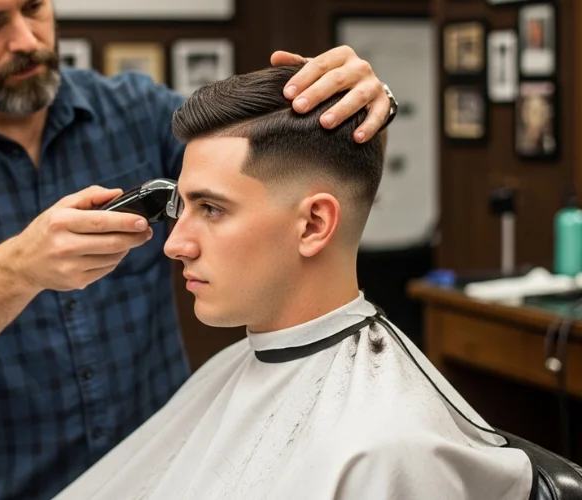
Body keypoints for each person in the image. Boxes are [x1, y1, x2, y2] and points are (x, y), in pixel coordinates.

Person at [0, 0, 397, 498]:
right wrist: (19, 268)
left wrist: (362, 103)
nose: (26, 39)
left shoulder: (135, 112)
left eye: (34, 8)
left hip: (165, 474)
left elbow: (273, 158)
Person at [53, 65, 533, 500]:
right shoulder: (238, 368)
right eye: (183, 207)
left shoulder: (384, 445)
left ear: (313, 225)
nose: (174, 245)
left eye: (212, 209)